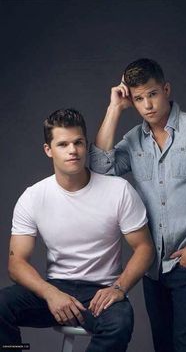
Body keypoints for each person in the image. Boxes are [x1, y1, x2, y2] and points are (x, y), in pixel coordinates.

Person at [89, 58, 186, 352]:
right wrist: (114, 108)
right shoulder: (133, 141)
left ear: (166, 89)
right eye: (139, 98)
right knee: (163, 346)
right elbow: (100, 167)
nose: (148, 105)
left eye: (153, 94)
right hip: (152, 268)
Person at [0, 109, 155, 352]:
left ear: (86, 145)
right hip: (55, 288)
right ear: (48, 150)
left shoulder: (118, 190)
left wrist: (118, 287)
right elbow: (16, 263)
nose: (72, 150)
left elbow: (145, 248)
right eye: (63, 144)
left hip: (101, 291)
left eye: (78, 142)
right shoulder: (33, 197)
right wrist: (51, 293)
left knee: (120, 322)